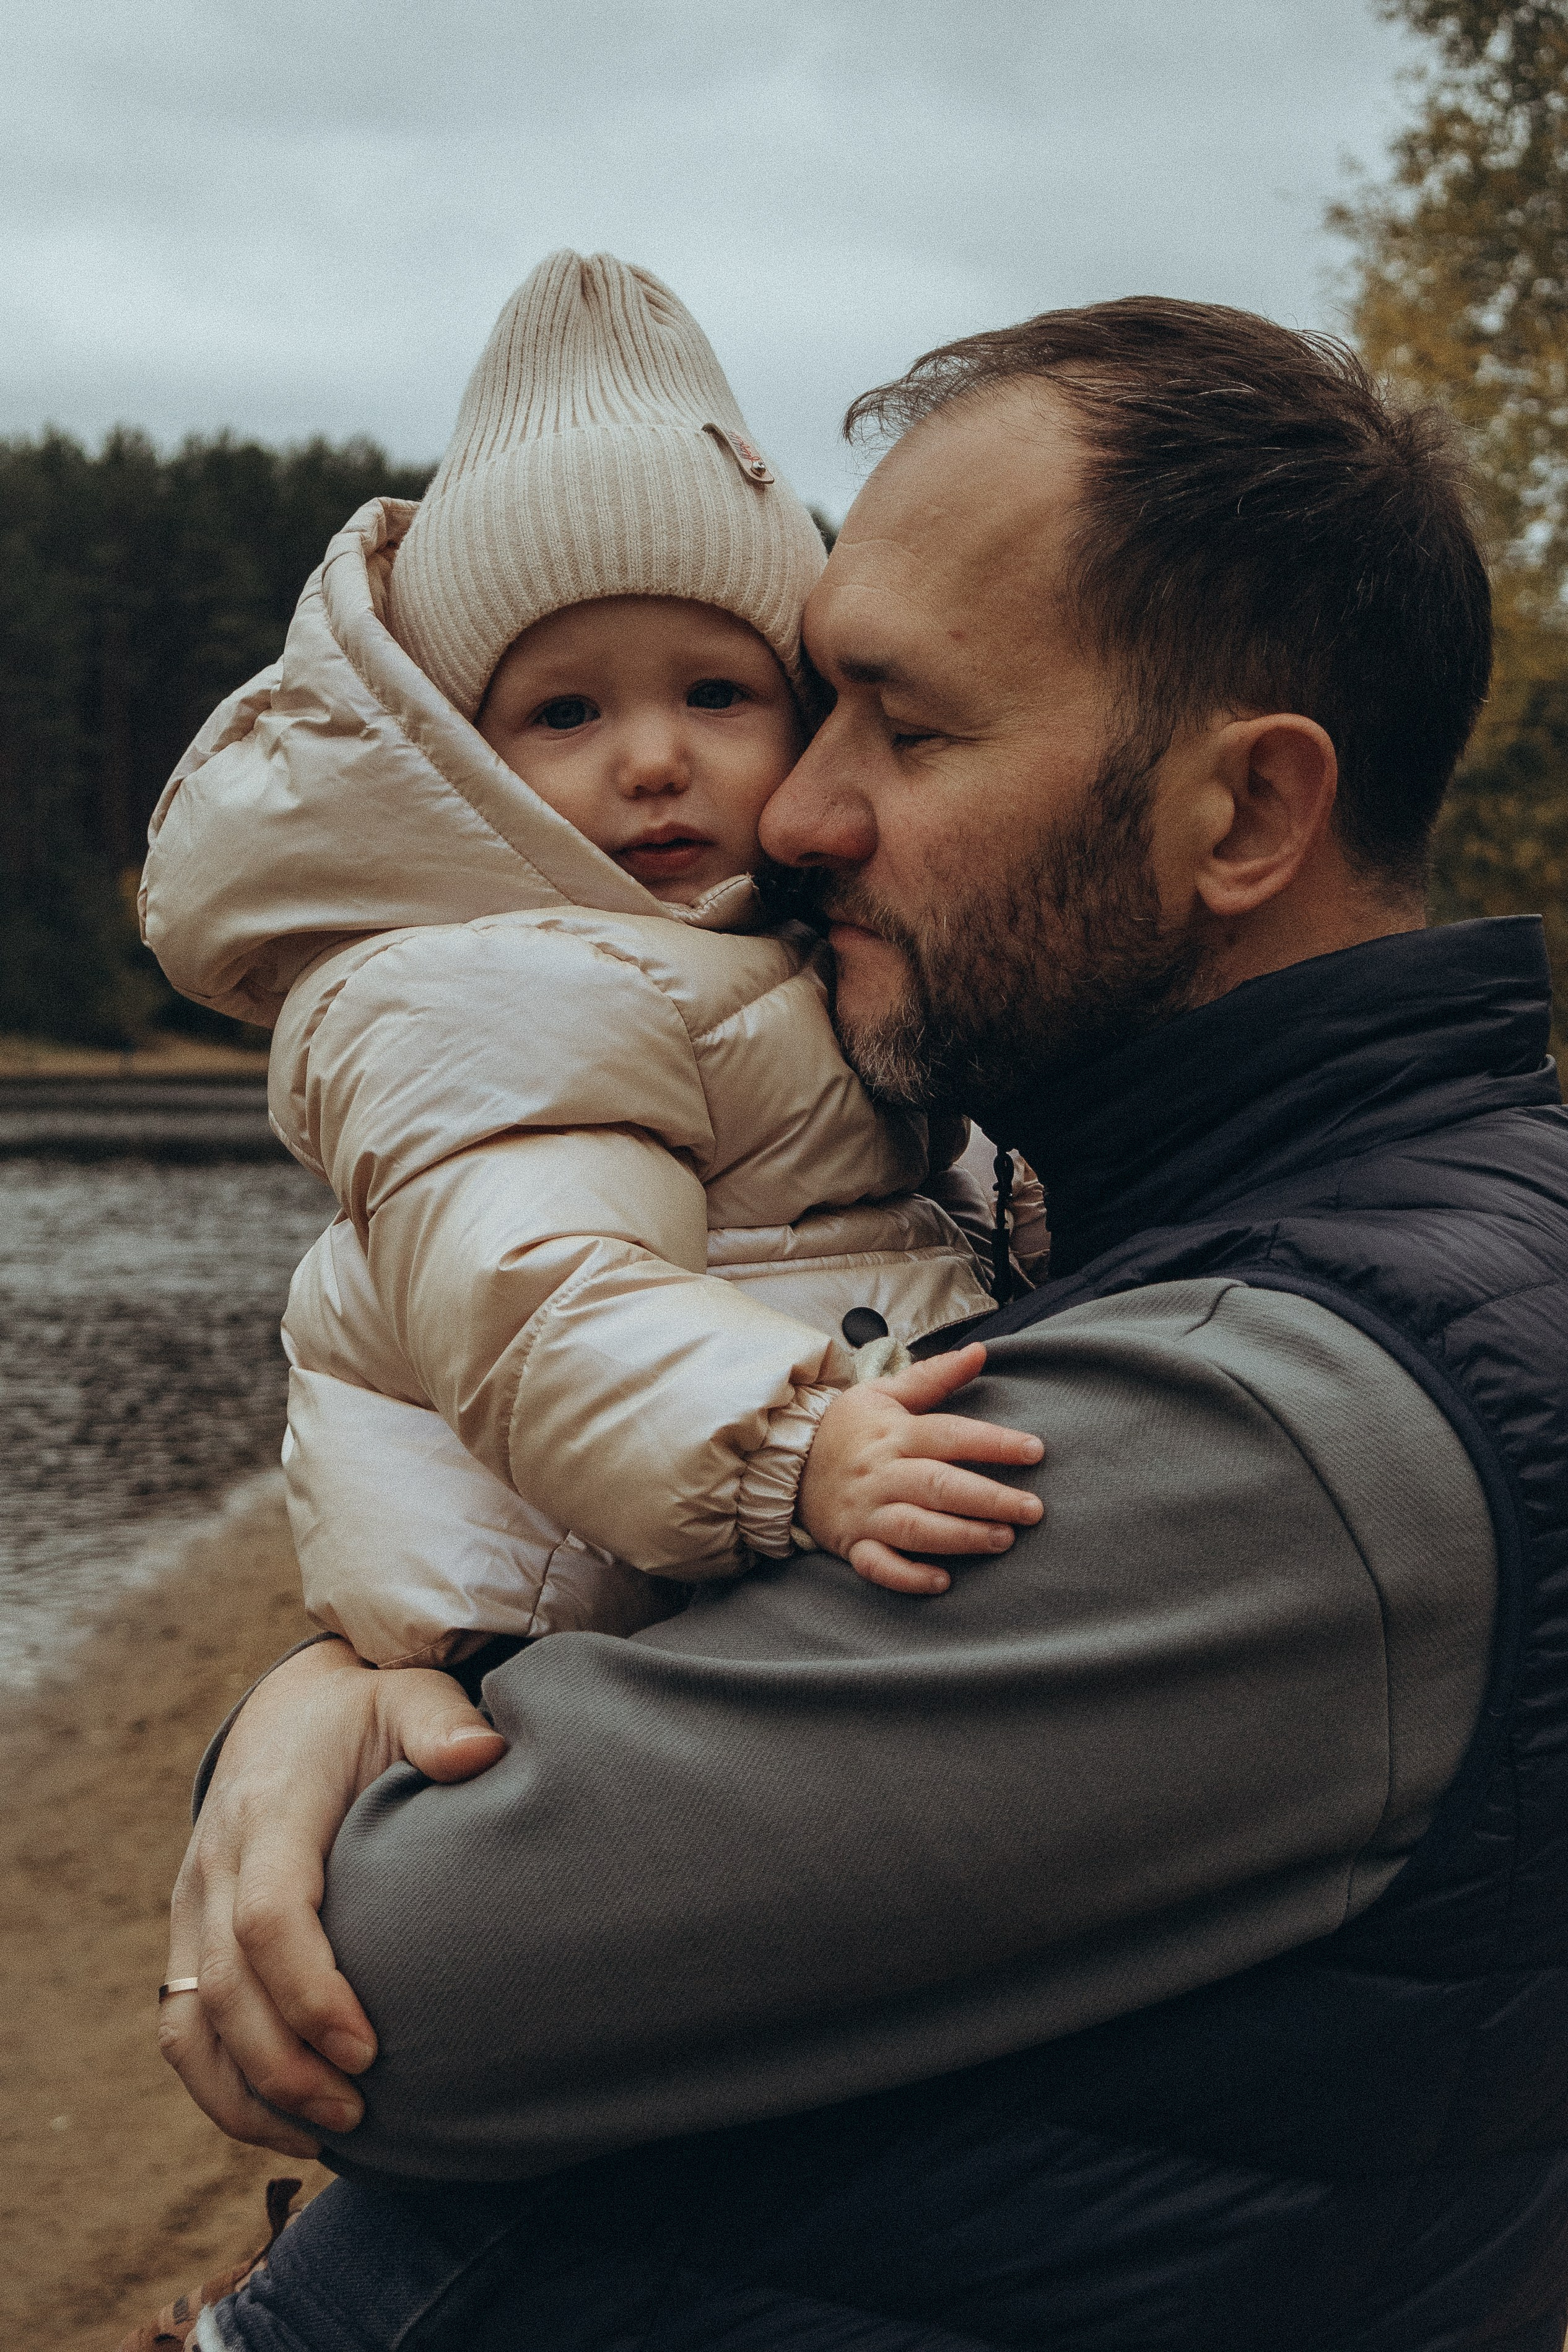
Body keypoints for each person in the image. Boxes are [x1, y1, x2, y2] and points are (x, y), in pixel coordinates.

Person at [151, 296, 1568, 2352]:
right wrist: (352, 1665)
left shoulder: (1287, 1429)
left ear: (1243, 817)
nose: (791, 816)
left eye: (901, 731)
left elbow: (399, 1980)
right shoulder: (1195, 1226)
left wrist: (345, 1719)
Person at [139, 249, 1043, 1687]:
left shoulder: (771, 953)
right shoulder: (480, 991)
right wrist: (797, 1444)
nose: (654, 759)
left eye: (715, 692)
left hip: (687, 1578)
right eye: (566, 711)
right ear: (461, 764)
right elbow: (537, 1296)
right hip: (549, 1628)